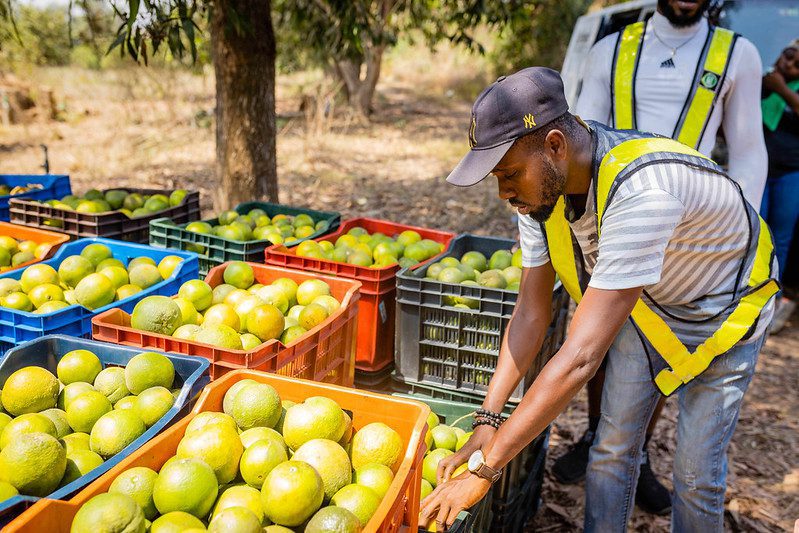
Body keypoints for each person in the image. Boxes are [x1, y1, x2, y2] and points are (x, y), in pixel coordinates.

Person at [419, 67, 777, 533]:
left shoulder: (642, 193)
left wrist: (487, 469)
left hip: (726, 310)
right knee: (610, 447)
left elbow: (581, 357)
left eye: (508, 174)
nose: (504, 192)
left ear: (554, 146)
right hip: (652, 307)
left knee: (694, 475)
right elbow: (531, 311)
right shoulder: (541, 192)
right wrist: (488, 418)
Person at [556, 0, 768, 512]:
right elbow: (584, 134)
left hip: (693, 231)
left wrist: (745, 234)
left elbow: (747, 148)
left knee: (662, 346)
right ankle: (595, 438)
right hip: (615, 223)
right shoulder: (612, 49)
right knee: (602, 340)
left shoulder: (737, 53)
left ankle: (640, 454)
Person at [761, 39, 799, 332]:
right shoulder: (762, 83)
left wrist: (783, 90)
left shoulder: (786, 90)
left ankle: (769, 299)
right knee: (755, 229)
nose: (789, 65)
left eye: (797, 64)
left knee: (780, 238)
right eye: (788, 57)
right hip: (760, 169)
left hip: (791, 173)